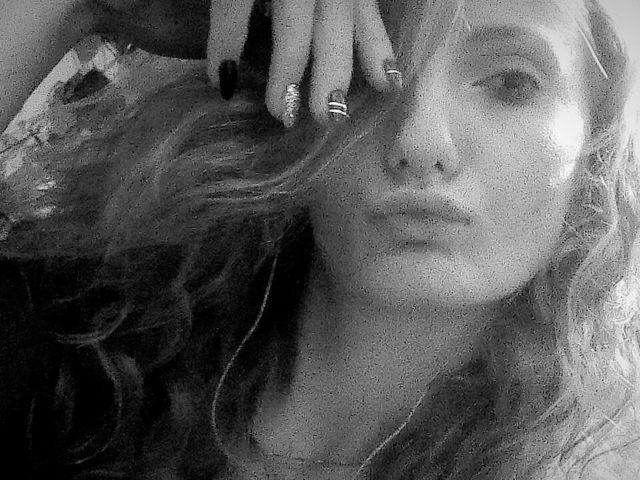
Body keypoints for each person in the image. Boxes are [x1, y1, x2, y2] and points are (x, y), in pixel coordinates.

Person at [2, 0, 640, 479]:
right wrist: (85, 5)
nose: (421, 144)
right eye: (363, 70)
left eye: (511, 84)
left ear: (596, 145)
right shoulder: (72, 348)